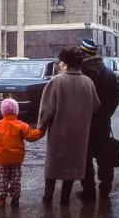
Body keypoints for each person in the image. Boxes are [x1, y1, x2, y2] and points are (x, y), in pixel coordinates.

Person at [38, 46, 100, 205]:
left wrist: (41, 128)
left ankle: (48, 196)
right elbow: (95, 106)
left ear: (65, 63)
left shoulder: (56, 81)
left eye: (61, 61)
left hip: (59, 132)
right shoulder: (88, 82)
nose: (59, 64)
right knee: (72, 165)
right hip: (79, 133)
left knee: (53, 164)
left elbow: (46, 110)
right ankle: (65, 198)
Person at [78, 40, 119, 201]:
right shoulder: (108, 73)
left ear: (83, 54)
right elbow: (115, 99)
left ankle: (88, 189)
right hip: (103, 122)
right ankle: (106, 188)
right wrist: (106, 115)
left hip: (84, 123)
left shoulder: (81, 73)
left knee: (85, 157)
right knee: (104, 155)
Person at [0, 98, 44, 209]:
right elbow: (31, 136)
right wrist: (40, 132)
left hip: (2, 159)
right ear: (16, 111)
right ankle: (15, 198)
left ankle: (1, 199)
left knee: (3, 179)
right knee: (16, 179)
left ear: (3, 111)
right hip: (16, 159)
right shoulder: (22, 126)